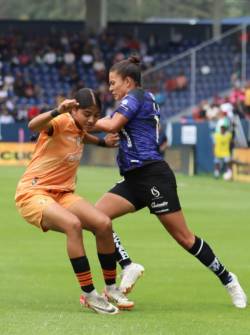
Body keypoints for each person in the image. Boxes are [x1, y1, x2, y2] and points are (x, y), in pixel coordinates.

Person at [93, 56, 247, 308]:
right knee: (96, 217)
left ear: (128, 82)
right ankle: (129, 266)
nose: (110, 88)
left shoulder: (136, 97)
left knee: (185, 239)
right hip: (133, 178)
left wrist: (82, 119)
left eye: (113, 83)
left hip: (153, 176)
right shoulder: (133, 101)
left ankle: (229, 279)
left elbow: (112, 125)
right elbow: (114, 129)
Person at [15, 88, 134, 315]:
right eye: (87, 114)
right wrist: (56, 110)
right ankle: (90, 295)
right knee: (73, 225)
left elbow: (81, 136)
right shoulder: (60, 121)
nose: (91, 120)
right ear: (74, 109)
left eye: (96, 115)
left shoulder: (79, 128)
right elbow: (33, 126)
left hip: (63, 194)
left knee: (104, 224)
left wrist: (102, 143)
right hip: (34, 193)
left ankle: (110, 288)